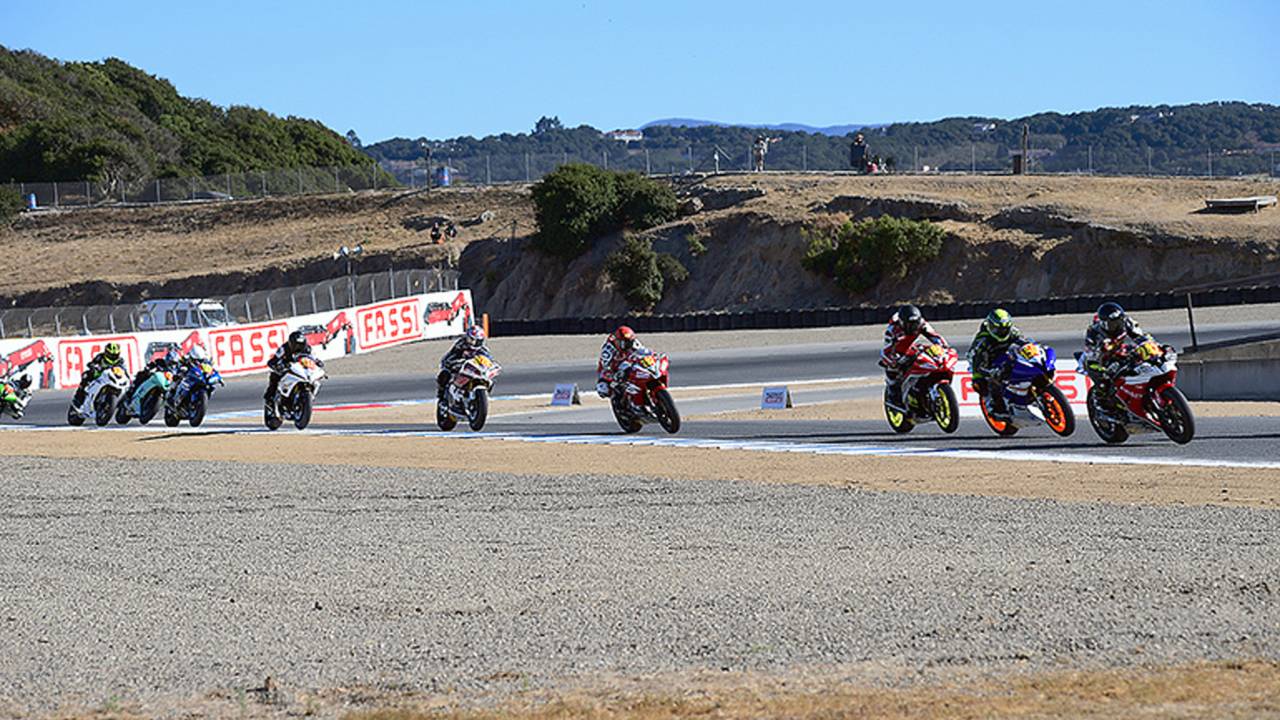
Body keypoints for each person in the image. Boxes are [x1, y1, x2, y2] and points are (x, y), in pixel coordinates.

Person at [1081, 302, 1159, 410]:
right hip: (1101, 358)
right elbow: (1091, 357)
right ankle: (1103, 401)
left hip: (1120, 349)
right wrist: (1101, 369)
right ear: (1103, 324)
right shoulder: (1093, 333)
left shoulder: (1127, 322)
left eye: (1118, 322)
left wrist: (1149, 346)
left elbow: (1141, 337)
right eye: (1113, 324)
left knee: (1145, 353)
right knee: (1104, 378)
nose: (1117, 326)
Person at [967, 308, 1034, 419]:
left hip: (1006, 355)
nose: (1001, 332)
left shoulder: (1013, 331)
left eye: (1004, 329)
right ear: (990, 327)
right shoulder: (982, 342)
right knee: (985, 383)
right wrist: (988, 373)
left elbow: (1023, 342)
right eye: (998, 329)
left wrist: (1029, 346)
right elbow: (978, 366)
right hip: (986, 362)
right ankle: (996, 408)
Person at [880, 305, 948, 409]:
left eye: (915, 324)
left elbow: (935, 337)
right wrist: (895, 361)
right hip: (898, 351)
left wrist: (943, 347)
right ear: (902, 323)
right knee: (891, 366)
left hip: (911, 347)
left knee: (930, 352)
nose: (913, 327)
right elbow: (886, 352)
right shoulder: (893, 330)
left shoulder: (922, 324)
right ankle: (892, 392)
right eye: (909, 324)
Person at [437, 325, 492, 404]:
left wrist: (491, 366)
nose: (473, 342)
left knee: (489, 379)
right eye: (471, 339)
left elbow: (489, 360)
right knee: (444, 373)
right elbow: (448, 358)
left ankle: (480, 398)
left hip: (475, 371)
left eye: (476, 340)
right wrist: (455, 362)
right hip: (460, 369)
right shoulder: (460, 345)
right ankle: (442, 396)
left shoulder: (483, 350)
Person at [597, 325, 646, 398]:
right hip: (611, 367)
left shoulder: (633, 342)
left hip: (628, 362)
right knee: (603, 389)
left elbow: (644, 352)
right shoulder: (608, 351)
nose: (628, 345)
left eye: (630, 342)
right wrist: (614, 375)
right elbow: (605, 368)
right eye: (625, 343)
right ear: (617, 342)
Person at [264, 331, 311, 403]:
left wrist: (318, 362)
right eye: (296, 345)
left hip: (300, 369)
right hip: (286, 368)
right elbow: (273, 360)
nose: (298, 347)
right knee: (274, 376)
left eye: (300, 345)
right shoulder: (284, 348)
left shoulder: (308, 349)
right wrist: (278, 365)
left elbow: (313, 358)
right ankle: (270, 398)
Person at [73, 341, 126, 406]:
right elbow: (92, 363)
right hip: (99, 375)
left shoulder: (120, 360)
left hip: (112, 378)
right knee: (85, 376)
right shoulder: (100, 357)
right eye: (111, 354)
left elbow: (124, 370)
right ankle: (78, 398)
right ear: (106, 352)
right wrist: (93, 366)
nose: (113, 356)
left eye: (115, 355)